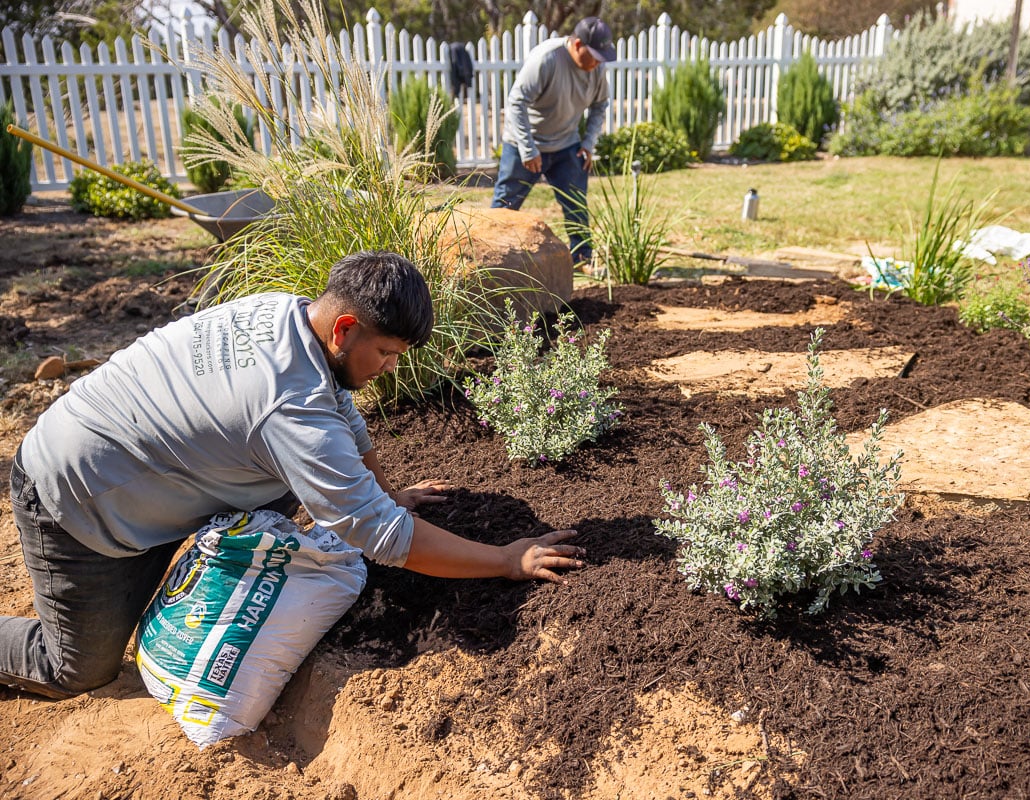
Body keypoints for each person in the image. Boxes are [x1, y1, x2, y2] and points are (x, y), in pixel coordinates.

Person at [0, 250, 586, 700]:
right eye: (385, 353)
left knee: (290, 481)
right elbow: (376, 535)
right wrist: (506, 560)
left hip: (151, 476)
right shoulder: (287, 405)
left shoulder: (288, 313)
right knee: (77, 669)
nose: (387, 368)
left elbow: (345, 422)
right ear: (345, 327)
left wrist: (390, 492)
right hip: (80, 502)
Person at [491, 16, 617, 268]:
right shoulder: (546, 59)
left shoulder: (597, 68)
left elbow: (601, 104)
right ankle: (491, 262)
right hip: (524, 145)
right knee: (504, 207)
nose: (597, 63)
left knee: (576, 205)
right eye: (593, 56)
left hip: (565, 144)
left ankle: (581, 260)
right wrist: (528, 149)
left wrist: (588, 143)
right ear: (578, 44)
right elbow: (516, 102)